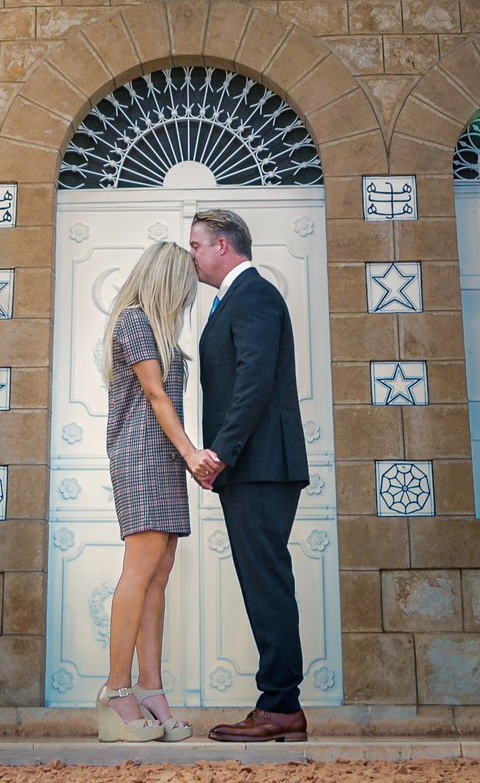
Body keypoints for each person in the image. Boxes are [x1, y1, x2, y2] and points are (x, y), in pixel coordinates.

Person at [187, 206, 309, 742]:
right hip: (250, 466)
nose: (190, 255)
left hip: (260, 464)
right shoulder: (229, 300)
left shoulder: (254, 292)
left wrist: (220, 453)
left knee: (267, 582)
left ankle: (280, 705)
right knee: (263, 582)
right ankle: (278, 702)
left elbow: (254, 380)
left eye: (196, 245)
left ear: (223, 246)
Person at [96, 240, 218, 743]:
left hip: (163, 457)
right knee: (139, 569)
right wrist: (192, 452)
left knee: (159, 575)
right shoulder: (134, 321)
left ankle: (151, 687)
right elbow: (153, 393)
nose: (189, 295)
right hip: (143, 454)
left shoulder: (158, 329)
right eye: (185, 284)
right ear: (169, 279)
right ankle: (116, 690)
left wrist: (183, 454)